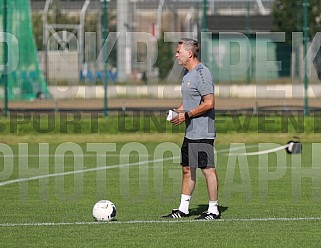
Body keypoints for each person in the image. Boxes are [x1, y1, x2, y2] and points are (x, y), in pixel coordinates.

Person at [162, 38, 220, 220]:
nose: (176, 55)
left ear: (190, 53)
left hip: (203, 131)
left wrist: (185, 115)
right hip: (191, 132)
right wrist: (176, 112)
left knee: (207, 169)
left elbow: (209, 103)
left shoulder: (203, 73)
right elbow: (188, 103)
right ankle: (183, 209)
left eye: (179, 52)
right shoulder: (187, 75)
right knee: (187, 169)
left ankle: (213, 210)